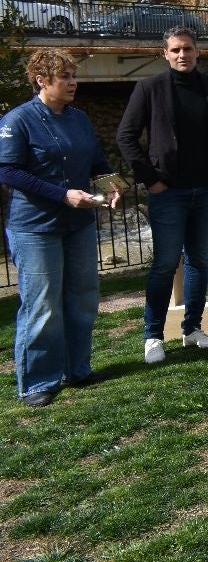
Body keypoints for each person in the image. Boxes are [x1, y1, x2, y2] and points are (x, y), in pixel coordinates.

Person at [0, 51, 122, 407]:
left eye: (73, 75)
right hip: (35, 227)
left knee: (83, 298)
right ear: (41, 79)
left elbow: (96, 160)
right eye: (64, 76)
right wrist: (62, 195)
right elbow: (7, 171)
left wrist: (113, 185)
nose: (72, 83)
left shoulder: (79, 119)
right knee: (42, 305)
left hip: (79, 223)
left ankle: (77, 369)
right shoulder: (18, 120)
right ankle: (38, 381)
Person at [117, 26, 208, 364]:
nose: (182, 55)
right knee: (165, 264)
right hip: (168, 191)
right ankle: (153, 335)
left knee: (199, 261)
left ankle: (193, 328)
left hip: (207, 189)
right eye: (175, 50)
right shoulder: (149, 88)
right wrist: (150, 180)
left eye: (187, 49)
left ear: (198, 52)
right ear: (165, 54)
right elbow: (126, 137)